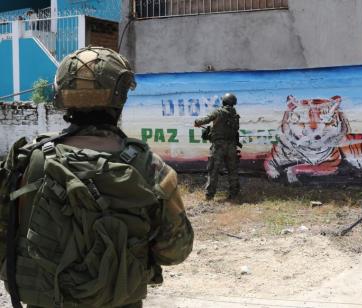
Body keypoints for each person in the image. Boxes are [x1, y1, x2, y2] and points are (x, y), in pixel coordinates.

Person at [0, 46, 194, 308]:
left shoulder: (26, 161)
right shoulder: (150, 167)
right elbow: (175, 251)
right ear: (120, 97)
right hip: (119, 299)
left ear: (62, 97)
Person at [194, 93, 241, 200]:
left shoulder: (219, 112)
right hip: (232, 146)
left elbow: (206, 119)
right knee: (232, 170)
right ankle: (234, 194)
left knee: (213, 171)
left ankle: (209, 195)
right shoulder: (235, 114)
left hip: (219, 146)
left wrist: (197, 122)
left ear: (224, 101)